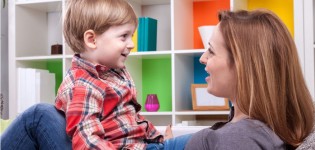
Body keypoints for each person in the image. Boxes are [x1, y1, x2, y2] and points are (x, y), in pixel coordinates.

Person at [1, 0, 180, 149]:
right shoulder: (82, 85)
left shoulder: (115, 73)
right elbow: (88, 141)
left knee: (201, 140)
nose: (131, 44)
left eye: (131, 36)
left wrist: (159, 138)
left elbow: (132, 119)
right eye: (124, 36)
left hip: (145, 145)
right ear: (92, 40)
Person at [185, 9, 315, 149]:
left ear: (243, 67)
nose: (202, 58)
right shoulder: (264, 127)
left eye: (211, 50)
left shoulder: (238, 139)